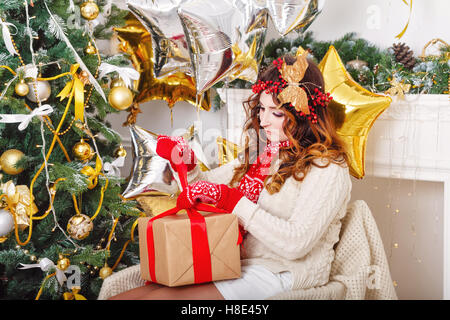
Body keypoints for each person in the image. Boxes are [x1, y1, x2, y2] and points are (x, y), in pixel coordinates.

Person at [109, 53, 352, 300]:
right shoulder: (263, 153)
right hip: (232, 260)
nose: (264, 121)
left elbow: (295, 243)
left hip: (282, 271)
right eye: (262, 109)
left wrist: (233, 201)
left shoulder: (328, 168)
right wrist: (189, 166)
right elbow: (206, 191)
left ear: (303, 115)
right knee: (120, 297)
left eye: (276, 114)